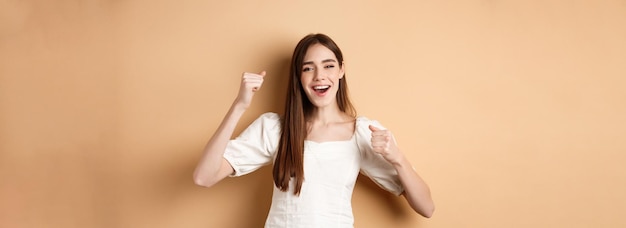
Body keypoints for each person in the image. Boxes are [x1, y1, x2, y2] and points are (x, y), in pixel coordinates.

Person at [193, 33, 434, 227]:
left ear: (341, 70)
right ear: (298, 77)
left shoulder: (362, 132)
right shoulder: (276, 129)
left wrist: (398, 159)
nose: (319, 76)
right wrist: (239, 106)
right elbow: (204, 176)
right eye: (308, 68)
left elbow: (426, 208)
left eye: (328, 66)